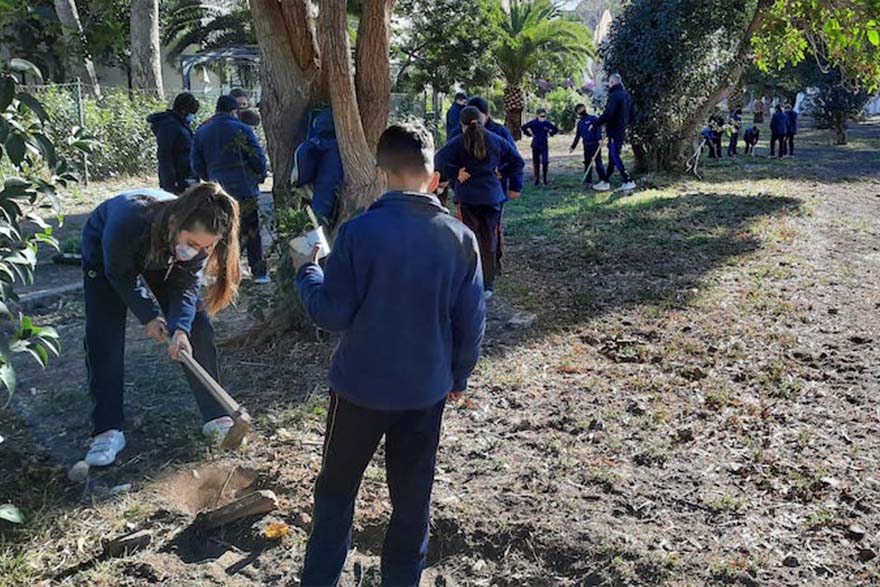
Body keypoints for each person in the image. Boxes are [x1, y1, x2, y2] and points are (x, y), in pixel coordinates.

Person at [291, 122, 487, 587]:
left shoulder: (358, 233)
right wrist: (459, 377)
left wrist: (308, 270)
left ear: (381, 174)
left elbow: (331, 314)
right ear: (434, 177)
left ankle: (319, 579)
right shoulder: (460, 240)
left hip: (359, 390)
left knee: (336, 491)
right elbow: (471, 322)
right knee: (412, 498)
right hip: (425, 390)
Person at [79, 183, 242, 466]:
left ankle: (216, 415)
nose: (196, 251)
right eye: (191, 244)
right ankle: (107, 429)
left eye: (204, 248)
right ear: (175, 222)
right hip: (109, 254)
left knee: (197, 327)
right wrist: (149, 315)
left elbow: (186, 286)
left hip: (162, 253)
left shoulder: (197, 242)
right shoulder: (127, 222)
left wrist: (180, 328)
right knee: (103, 336)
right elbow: (120, 274)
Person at [435, 106, 524, 296]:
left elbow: (437, 159)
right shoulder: (496, 140)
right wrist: (502, 172)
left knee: (468, 239)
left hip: (467, 198)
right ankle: (488, 285)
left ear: (462, 124)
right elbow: (518, 161)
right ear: (482, 120)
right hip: (492, 197)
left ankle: (470, 280)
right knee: (489, 239)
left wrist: (454, 172)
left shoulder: (457, 142)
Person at [192, 95, 270, 283]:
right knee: (251, 231)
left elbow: (196, 163)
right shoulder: (242, 128)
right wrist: (259, 175)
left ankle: (224, 272)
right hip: (244, 188)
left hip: (217, 189)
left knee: (221, 231)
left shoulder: (202, 131)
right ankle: (258, 272)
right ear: (234, 111)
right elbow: (257, 158)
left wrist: (209, 178)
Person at [292, 107, 344, 225]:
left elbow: (302, 159)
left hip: (318, 189)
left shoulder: (313, 143)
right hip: (339, 189)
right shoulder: (339, 146)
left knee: (318, 223)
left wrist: (301, 181)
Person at [147, 92, 200, 195]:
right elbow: (164, 155)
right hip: (177, 178)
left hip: (188, 174)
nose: (192, 116)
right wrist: (170, 183)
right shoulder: (169, 126)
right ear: (183, 110)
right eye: (191, 113)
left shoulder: (182, 124)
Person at [591, 73, 636, 192]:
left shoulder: (614, 95)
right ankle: (605, 181)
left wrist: (596, 123)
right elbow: (632, 114)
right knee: (612, 156)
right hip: (621, 130)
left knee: (615, 155)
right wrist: (624, 125)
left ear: (612, 82)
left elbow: (609, 113)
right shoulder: (627, 95)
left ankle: (628, 180)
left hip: (614, 131)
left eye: (609, 83)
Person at [569, 103, 606, 186]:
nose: (581, 110)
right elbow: (577, 135)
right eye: (579, 110)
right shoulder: (580, 123)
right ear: (577, 112)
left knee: (598, 162)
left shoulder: (593, 118)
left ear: (585, 108)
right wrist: (573, 146)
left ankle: (603, 180)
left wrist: (599, 139)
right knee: (587, 163)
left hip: (595, 144)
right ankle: (588, 181)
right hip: (586, 145)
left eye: (581, 108)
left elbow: (598, 128)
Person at [521, 108, 559, 186]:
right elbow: (523, 127)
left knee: (545, 162)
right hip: (535, 145)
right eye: (541, 116)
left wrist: (550, 134)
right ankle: (537, 179)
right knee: (536, 163)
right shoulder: (533, 123)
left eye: (544, 116)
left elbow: (555, 129)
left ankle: (545, 179)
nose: (543, 117)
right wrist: (529, 133)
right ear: (537, 115)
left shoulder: (547, 123)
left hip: (544, 145)